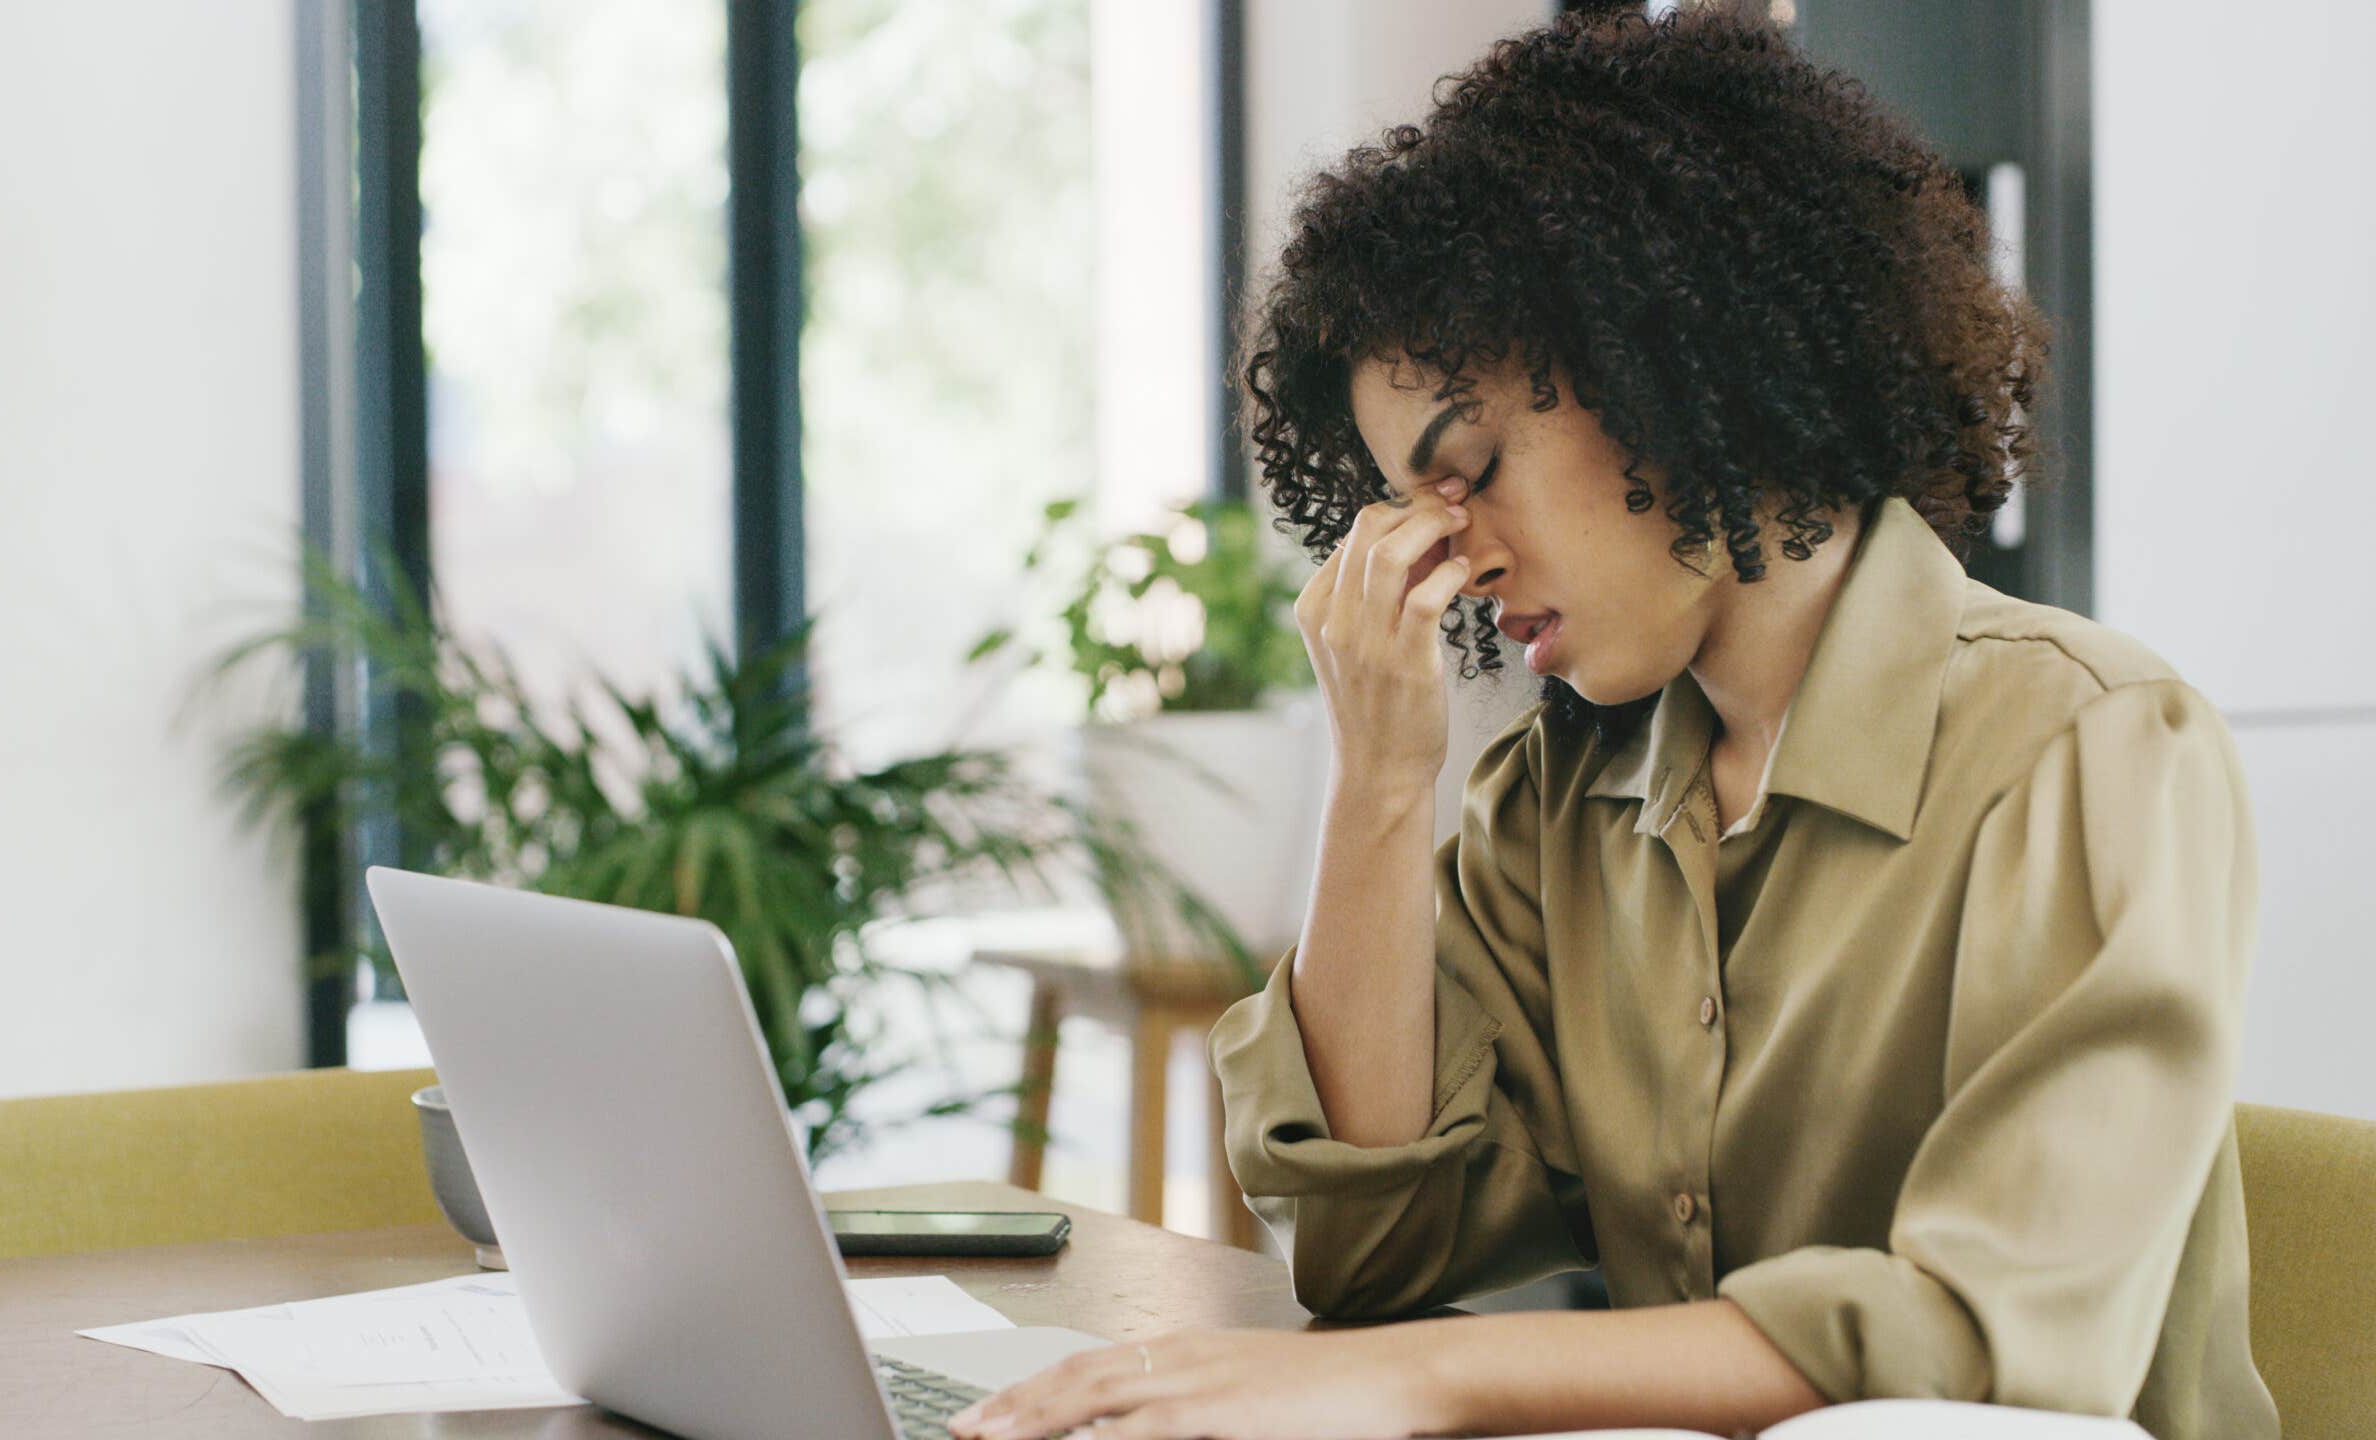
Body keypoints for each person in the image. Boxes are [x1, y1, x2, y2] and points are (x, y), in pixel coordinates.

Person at [949, 6, 2279, 1439]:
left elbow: (1991, 1339)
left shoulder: (2092, 747)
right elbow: (1376, 1248)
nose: (1455, 557)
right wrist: (1383, 787)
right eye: (1412, 508)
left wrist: (1419, 1380)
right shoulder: (1558, 798)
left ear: (1673, 363)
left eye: (1472, 468)